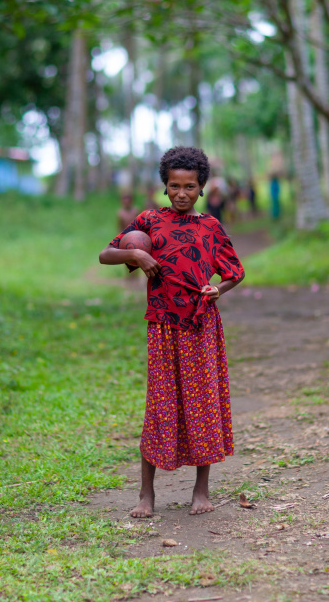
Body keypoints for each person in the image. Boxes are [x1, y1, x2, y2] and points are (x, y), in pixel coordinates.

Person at [99, 146, 245, 517]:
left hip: (200, 326)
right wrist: (136, 255)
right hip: (162, 327)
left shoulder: (210, 226)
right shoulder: (148, 221)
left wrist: (218, 289)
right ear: (165, 186)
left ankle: (201, 489)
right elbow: (105, 254)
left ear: (201, 188)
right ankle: (146, 495)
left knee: (202, 406)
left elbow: (234, 271)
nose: (182, 193)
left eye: (190, 187)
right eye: (175, 185)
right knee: (160, 406)